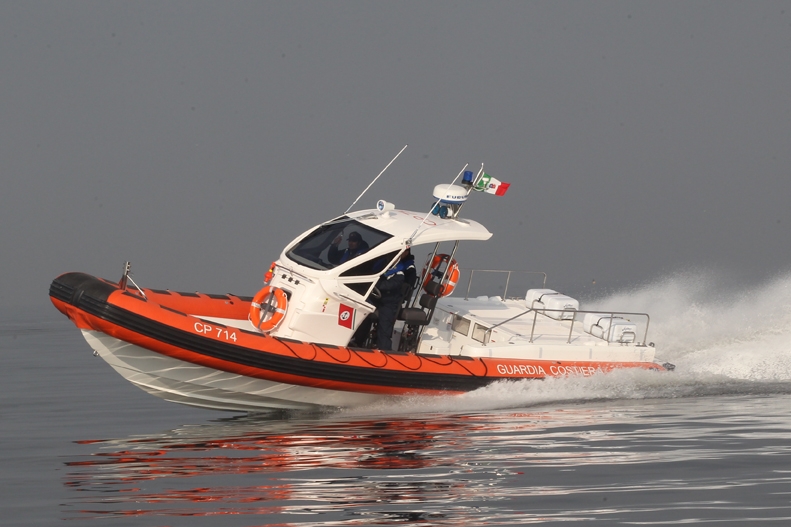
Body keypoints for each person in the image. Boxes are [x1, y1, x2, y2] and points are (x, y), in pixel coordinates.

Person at [370, 249, 417, 351]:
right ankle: (359, 341)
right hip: (380, 298)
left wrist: (377, 285)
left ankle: (384, 350)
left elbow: (394, 285)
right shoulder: (385, 267)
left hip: (390, 302)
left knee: (384, 327)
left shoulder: (401, 272)